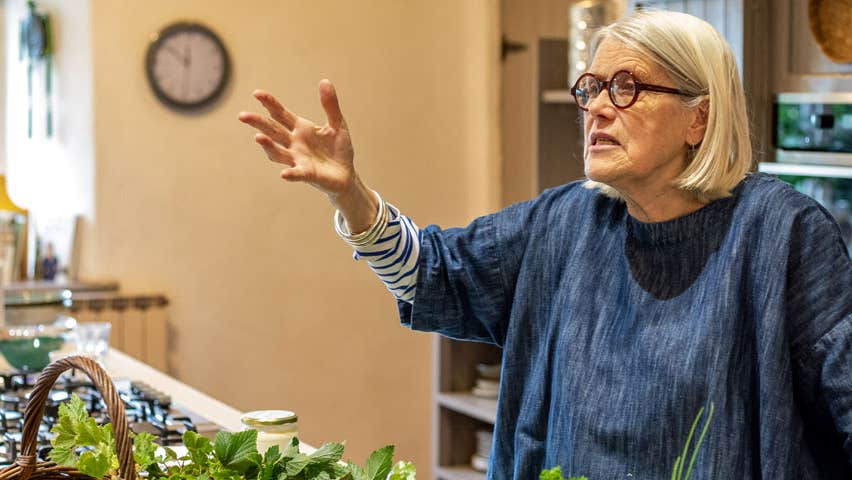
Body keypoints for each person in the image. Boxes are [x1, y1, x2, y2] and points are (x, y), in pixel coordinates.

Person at [239, 10, 851, 479]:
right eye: (591, 89)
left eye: (626, 87)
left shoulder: (782, 234)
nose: (597, 110)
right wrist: (352, 197)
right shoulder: (565, 221)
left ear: (699, 119)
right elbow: (435, 272)